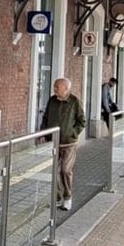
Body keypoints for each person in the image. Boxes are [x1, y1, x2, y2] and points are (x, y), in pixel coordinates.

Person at [40, 77, 86, 211]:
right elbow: (46, 117)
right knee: (54, 171)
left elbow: (82, 121)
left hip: (68, 143)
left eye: (57, 87)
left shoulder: (75, 101)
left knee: (65, 170)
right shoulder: (52, 100)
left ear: (66, 89)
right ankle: (57, 198)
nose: (54, 89)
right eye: (54, 86)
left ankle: (67, 197)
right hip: (54, 142)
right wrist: (43, 133)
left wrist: (72, 133)